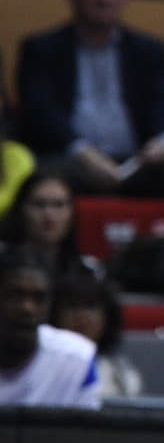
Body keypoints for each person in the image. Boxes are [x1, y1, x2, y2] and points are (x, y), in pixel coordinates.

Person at [16, 0, 164, 196]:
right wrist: (81, 151)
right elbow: (41, 114)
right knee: (48, 181)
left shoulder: (149, 50)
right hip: (71, 157)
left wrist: (162, 141)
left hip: (134, 161)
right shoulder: (41, 49)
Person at [0, 251, 100, 408]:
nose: (27, 308)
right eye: (15, 295)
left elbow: (87, 431)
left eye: (39, 298)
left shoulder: (77, 358)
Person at [50, 271, 138, 398]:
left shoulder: (120, 372)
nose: (82, 316)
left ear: (107, 317)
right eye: (73, 306)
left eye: (90, 306)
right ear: (55, 313)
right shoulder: (39, 364)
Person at [0, 173, 94, 281]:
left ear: (72, 212)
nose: (49, 214)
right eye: (39, 204)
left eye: (59, 205)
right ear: (21, 210)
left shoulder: (88, 269)